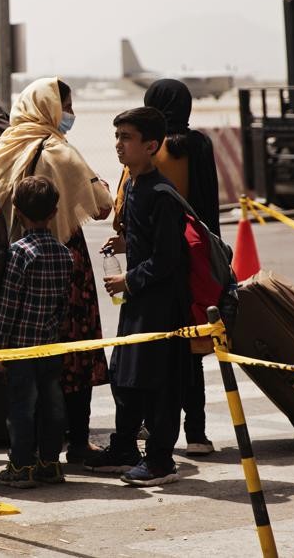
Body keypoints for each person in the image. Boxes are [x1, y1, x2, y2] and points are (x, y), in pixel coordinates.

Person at [0, 78, 113, 464]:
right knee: (74, 352)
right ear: (51, 108)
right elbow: (101, 206)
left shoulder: (0, 149)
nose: (69, 115)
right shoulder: (59, 150)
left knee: (23, 367)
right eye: (66, 106)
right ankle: (78, 441)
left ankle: (28, 447)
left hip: (13, 260)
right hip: (63, 262)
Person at [114, 79, 221, 457]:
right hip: (199, 254)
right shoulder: (200, 145)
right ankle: (198, 432)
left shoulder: (153, 157)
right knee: (191, 347)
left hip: (159, 261)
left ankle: (150, 433)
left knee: (157, 352)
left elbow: (122, 212)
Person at [85, 106, 190, 487]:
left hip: (161, 306)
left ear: (151, 145)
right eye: (117, 137)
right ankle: (124, 447)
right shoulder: (133, 186)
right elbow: (150, 244)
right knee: (125, 377)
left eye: (126, 138)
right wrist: (128, 243)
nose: (118, 145)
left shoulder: (162, 194)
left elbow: (167, 259)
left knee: (158, 383)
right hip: (138, 301)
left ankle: (161, 461)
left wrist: (130, 280)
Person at [0, 176, 74, 488]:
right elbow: (63, 304)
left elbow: (9, 305)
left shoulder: (18, 253)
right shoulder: (64, 253)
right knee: (52, 405)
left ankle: (21, 465)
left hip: (20, 348)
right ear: (54, 212)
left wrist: (1, 348)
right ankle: (50, 463)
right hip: (50, 345)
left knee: (21, 407)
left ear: (17, 211)